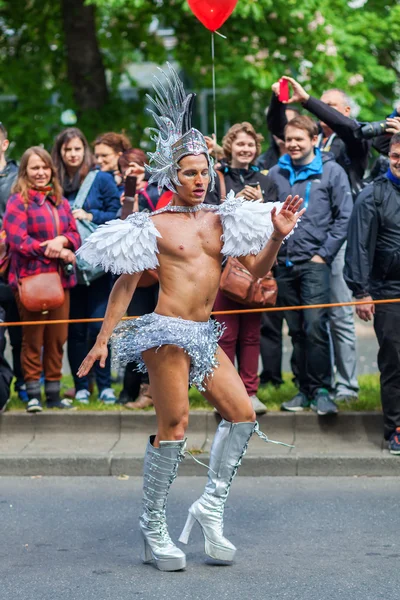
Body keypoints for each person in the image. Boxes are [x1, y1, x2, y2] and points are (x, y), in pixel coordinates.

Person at [76, 65, 303, 571]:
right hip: (165, 334)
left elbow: (256, 270)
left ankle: (209, 508)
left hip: (204, 333)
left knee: (242, 416)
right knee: (174, 426)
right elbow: (126, 283)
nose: (200, 181)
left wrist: (277, 235)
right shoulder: (153, 224)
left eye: (205, 173)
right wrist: (101, 340)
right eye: (190, 174)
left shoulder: (226, 219)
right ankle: (153, 525)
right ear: (173, 177)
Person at [269, 78, 361, 403]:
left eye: (299, 139)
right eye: (289, 139)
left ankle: (322, 389)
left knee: (315, 326)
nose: (293, 144)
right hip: (284, 263)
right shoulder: (276, 174)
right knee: (294, 330)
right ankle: (303, 389)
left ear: (314, 138)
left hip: (315, 262)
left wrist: (324, 254)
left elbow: (345, 216)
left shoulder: (331, 171)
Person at [3, 147, 80, 413]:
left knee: (58, 338)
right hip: (30, 279)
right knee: (33, 339)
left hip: (60, 281)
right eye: (35, 167)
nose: (41, 172)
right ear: (25, 171)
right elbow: (17, 241)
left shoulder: (60, 200)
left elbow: (75, 233)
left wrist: (64, 240)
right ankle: (33, 393)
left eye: (45, 167)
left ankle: (54, 394)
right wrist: (52, 249)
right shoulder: (17, 201)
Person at [52, 127, 121, 405]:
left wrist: (90, 214)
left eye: (77, 149)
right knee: (75, 330)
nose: (72, 154)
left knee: (99, 326)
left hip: (99, 267)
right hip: (68, 267)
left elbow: (116, 212)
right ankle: (81, 385)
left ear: (85, 151)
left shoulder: (101, 178)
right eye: (67, 149)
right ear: (60, 153)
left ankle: (104, 385)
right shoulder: (53, 182)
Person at [207, 122, 270, 415]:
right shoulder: (215, 179)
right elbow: (207, 219)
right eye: (240, 144)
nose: (246, 150)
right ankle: (228, 394)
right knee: (226, 334)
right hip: (223, 269)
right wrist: (234, 204)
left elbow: (277, 220)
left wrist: (261, 204)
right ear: (229, 146)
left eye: (251, 145)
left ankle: (250, 392)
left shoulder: (267, 180)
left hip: (256, 266)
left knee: (251, 334)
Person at [344, 132, 400, 455]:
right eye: (396, 155)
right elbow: (359, 246)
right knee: (395, 360)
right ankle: (395, 427)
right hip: (388, 291)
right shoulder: (373, 195)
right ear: (389, 156)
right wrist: (361, 292)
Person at [116, 148, 160, 409]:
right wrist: (128, 200)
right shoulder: (124, 194)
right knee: (137, 333)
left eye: (137, 165)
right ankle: (135, 389)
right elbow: (122, 226)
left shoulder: (157, 189)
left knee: (160, 333)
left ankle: (154, 391)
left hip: (162, 271)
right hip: (137, 272)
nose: (132, 170)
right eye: (127, 167)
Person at [0, 122, 25, 402]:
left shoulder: (18, 178)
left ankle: (23, 386)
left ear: (4, 144)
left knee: (21, 335)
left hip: (17, 264)